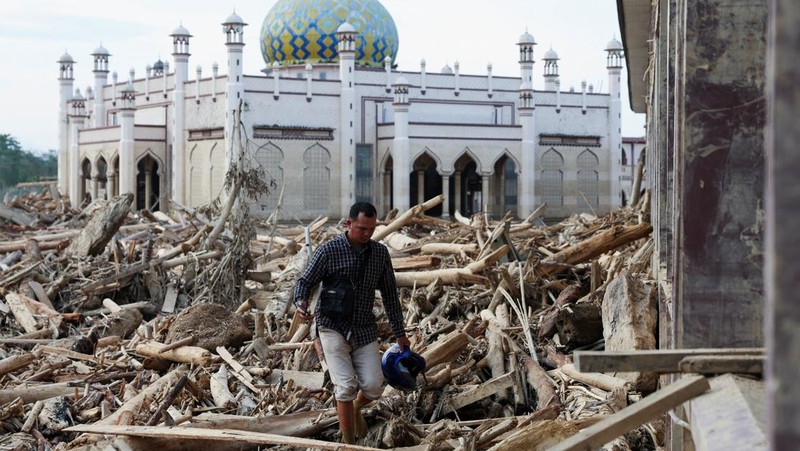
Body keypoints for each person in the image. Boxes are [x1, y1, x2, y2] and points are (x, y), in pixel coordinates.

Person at [293, 201, 411, 444]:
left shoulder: (379, 254)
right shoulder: (329, 251)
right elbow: (305, 282)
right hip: (331, 327)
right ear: (348, 224)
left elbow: (390, 295)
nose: (367, 234)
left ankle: (356, 408)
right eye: (361, 229)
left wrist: (400, 333)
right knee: (345, 387)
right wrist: (301, 303)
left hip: (364, 328)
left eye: (371, 229)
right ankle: (348, 442)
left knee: (374, 386)